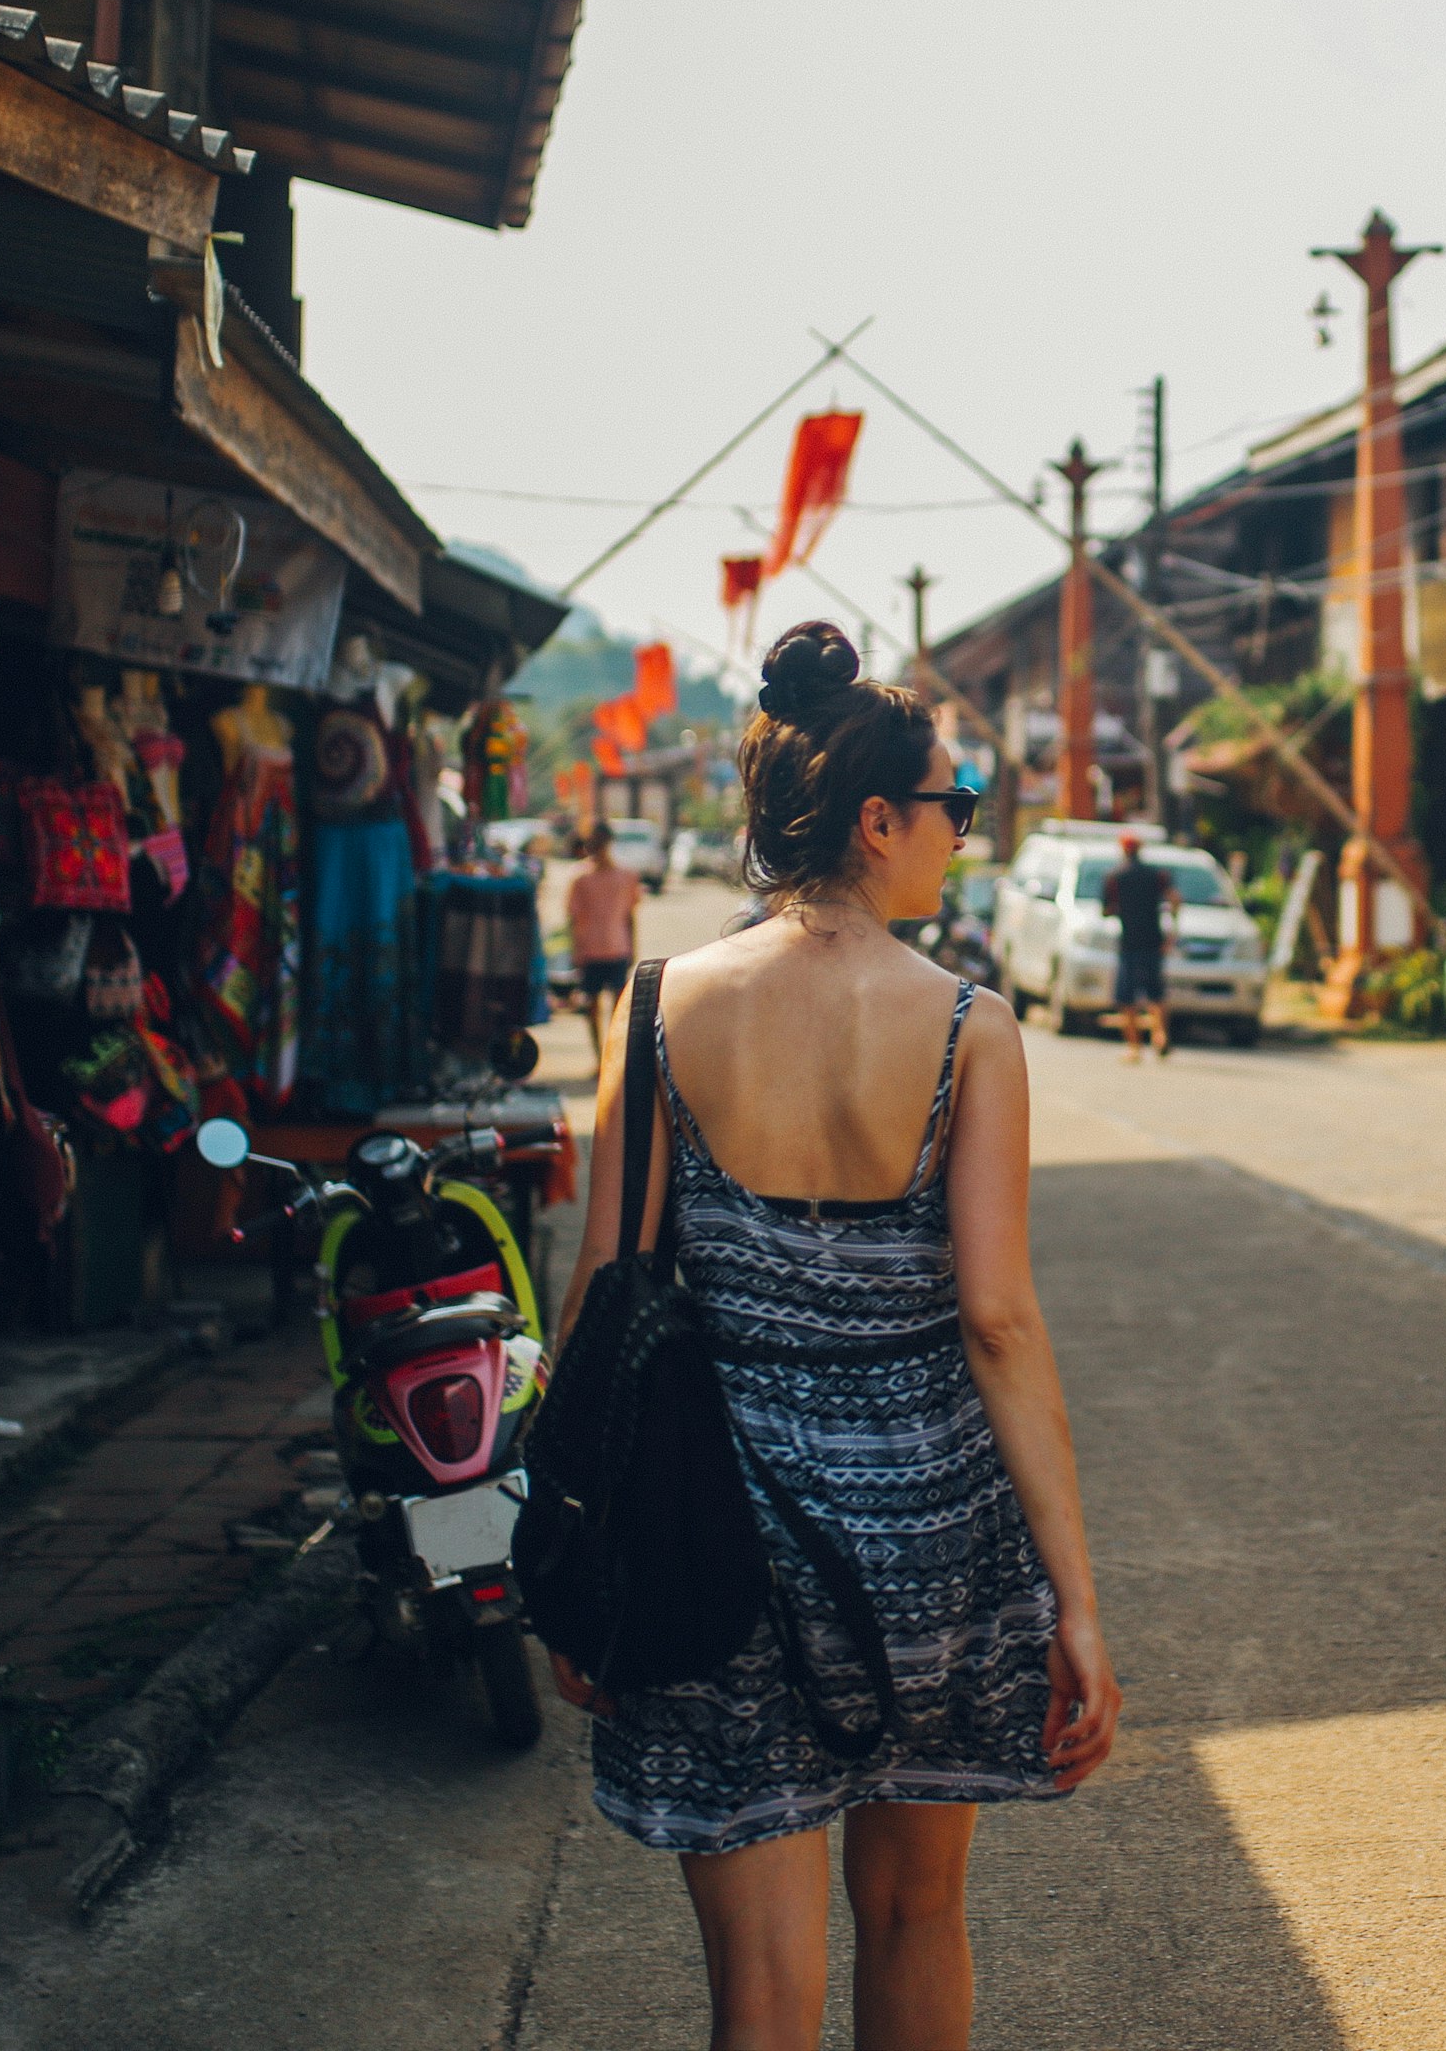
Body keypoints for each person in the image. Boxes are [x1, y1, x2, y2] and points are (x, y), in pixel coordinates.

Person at [553, 620, 1119, 2051]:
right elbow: (995, 1319)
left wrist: (571, 1545)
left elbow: (603, 1294)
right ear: (878, 821)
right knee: (920, 1918)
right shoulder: (968, 1028)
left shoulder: (664, 1008)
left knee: (761, 1986)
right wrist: (1076, 1598)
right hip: (929, 1531)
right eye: (954, 810)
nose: (963, 839)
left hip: (714, 1530)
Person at [563, 823, 641, 1073]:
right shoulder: (581, 878)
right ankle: (601, 1059)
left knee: (619, 1011)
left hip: (617, 949)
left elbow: (630, 916)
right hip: (591, 951)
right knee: (592, 1008)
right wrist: (575, 951)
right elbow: (573, 920)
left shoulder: (626, 876)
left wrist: (632, 948)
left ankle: (616, 1059)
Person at [1103, 832, 1173, 1063]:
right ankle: (1160, 1035)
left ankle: (1134, 1046)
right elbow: (1175, 898)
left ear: (1123, 850)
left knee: (1127, 998)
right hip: (1154, 940)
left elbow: (1107, 909)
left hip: (1129, 942)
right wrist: (1172, 930)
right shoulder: (1156, 874)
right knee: (1156, 993)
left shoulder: (1115, 876)